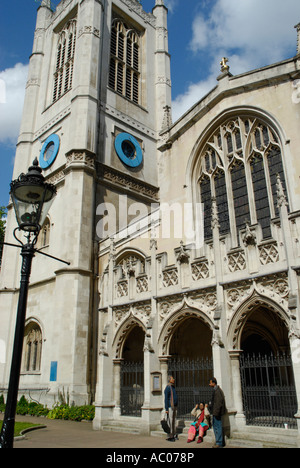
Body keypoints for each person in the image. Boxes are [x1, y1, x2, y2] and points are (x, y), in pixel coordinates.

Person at [209, 377, 226, 448]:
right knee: (215, 426)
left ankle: (219, 443)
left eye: (210, 383)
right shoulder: (216, 390)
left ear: (214, 383)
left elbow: (219, 403)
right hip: (215, 412)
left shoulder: (217, 391)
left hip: (217, 413)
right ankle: (218, 442)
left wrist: (215, 412)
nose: (209, 384)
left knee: (217, 427)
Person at [164, 375, 178, 442]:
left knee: (174, 421)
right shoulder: (168, 388)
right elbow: (166, 399)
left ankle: (174, 434)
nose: (174, 379)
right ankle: (170, 435)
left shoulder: (173, 387)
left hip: (174, 406)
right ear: (169, 380)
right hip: (170, 406)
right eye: (172, 378)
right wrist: (166, 409)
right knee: (170, 421)